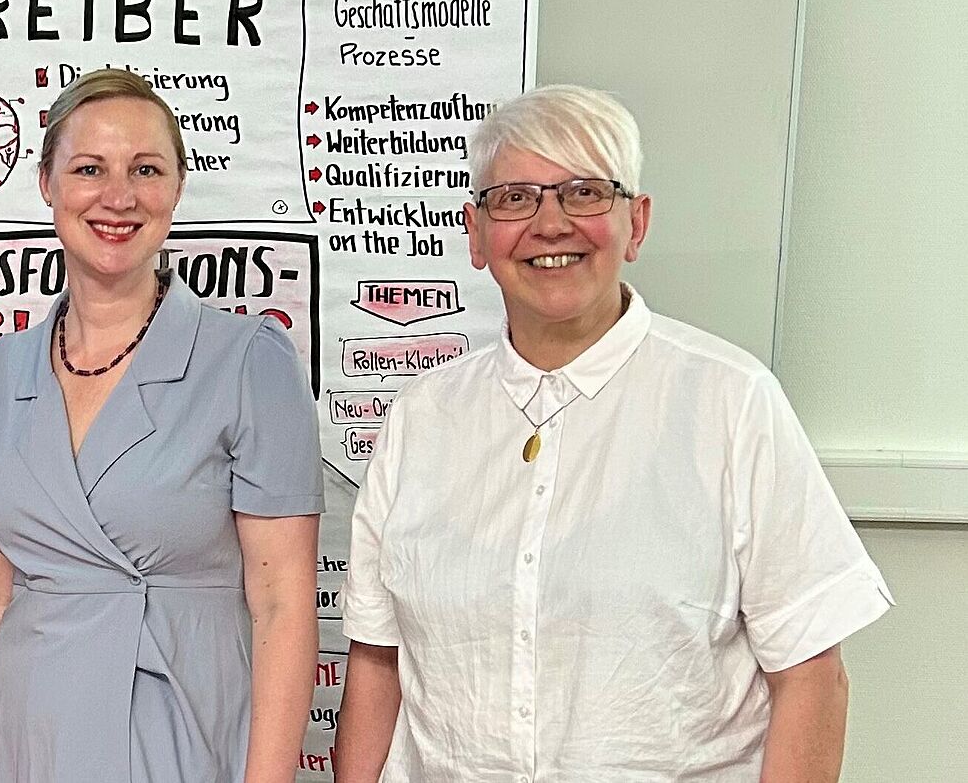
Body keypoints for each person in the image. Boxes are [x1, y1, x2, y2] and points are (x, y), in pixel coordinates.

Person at [333, 84, 894, 782]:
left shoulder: (731, 402)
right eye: (515, 198)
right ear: (476, 234)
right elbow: (378, 662)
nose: (550, 224)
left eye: (585, 193)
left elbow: (811, 675)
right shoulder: (422, 418)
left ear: (637, 222)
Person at [0, 69, 323, 783]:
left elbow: (282, 602)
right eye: (90, 169)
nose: (118, 197)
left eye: (146, 169)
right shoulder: (5, 367)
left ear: (177, 188)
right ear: (47, 183)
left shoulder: (248, 360)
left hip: (175, 739)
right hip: (18, 742)